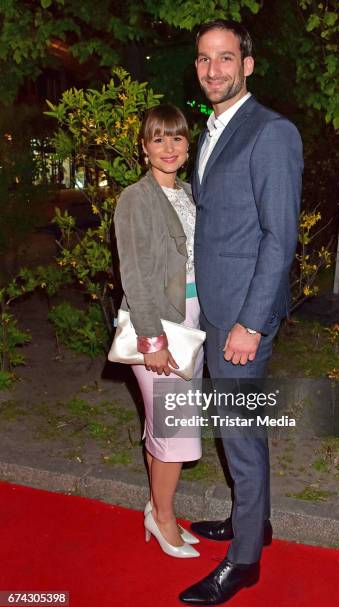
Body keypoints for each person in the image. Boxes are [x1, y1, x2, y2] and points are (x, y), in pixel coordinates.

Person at [179, 20, 303, 605]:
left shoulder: (271, 132)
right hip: (215, 307)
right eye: (205, 59)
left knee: (239, 433)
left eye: (226, 58)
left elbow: (280, 238)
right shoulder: (213, 129)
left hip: (241, 319)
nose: (213, 70)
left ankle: (245, 561)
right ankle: (256, 523)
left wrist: (250, 325)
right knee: (242, 430)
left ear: (248, 64)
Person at [114, 104, 203, 559]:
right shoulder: (135, 198)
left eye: (176, 138)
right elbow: (134, 274)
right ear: (144, 146)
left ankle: (158, 507)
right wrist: (151, 339)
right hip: (160, 325)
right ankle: (162, 518)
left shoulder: (189, 193)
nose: (168, 147)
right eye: (158, 138)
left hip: (192, 322)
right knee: (175, 433)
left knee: (162, 429)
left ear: (188, 146)